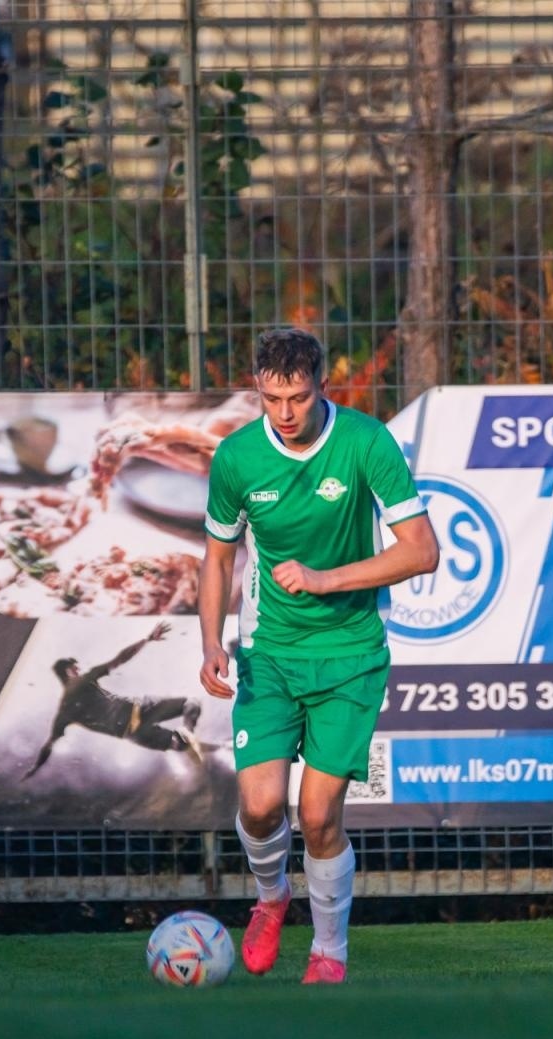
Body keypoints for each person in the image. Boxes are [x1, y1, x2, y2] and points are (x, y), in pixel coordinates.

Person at [197, 327, 439, 984]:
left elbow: (423, 550)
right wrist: (211, 640)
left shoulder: (365, 443)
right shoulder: (238, 458)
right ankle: (272, 898)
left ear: (322, 386)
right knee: (259, 804)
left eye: (297, 397)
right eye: (270, 398)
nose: (284, 413)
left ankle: (329, 949)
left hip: (350, 656)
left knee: (319, 813)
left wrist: (326, 579)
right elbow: (219, 557)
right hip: (270, 654)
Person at [25, 623, 201, 780]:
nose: (79, 670)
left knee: (177, 745)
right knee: (191, 703)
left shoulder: (63, 712)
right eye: (75, 668)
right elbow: (120, 659)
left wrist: (35, 767)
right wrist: (147, 639)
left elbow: (49, 745)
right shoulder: (81, 681)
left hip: (132, 733)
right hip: (138, 709)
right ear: (68, 671)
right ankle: (188, 731)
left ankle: (180, 740)